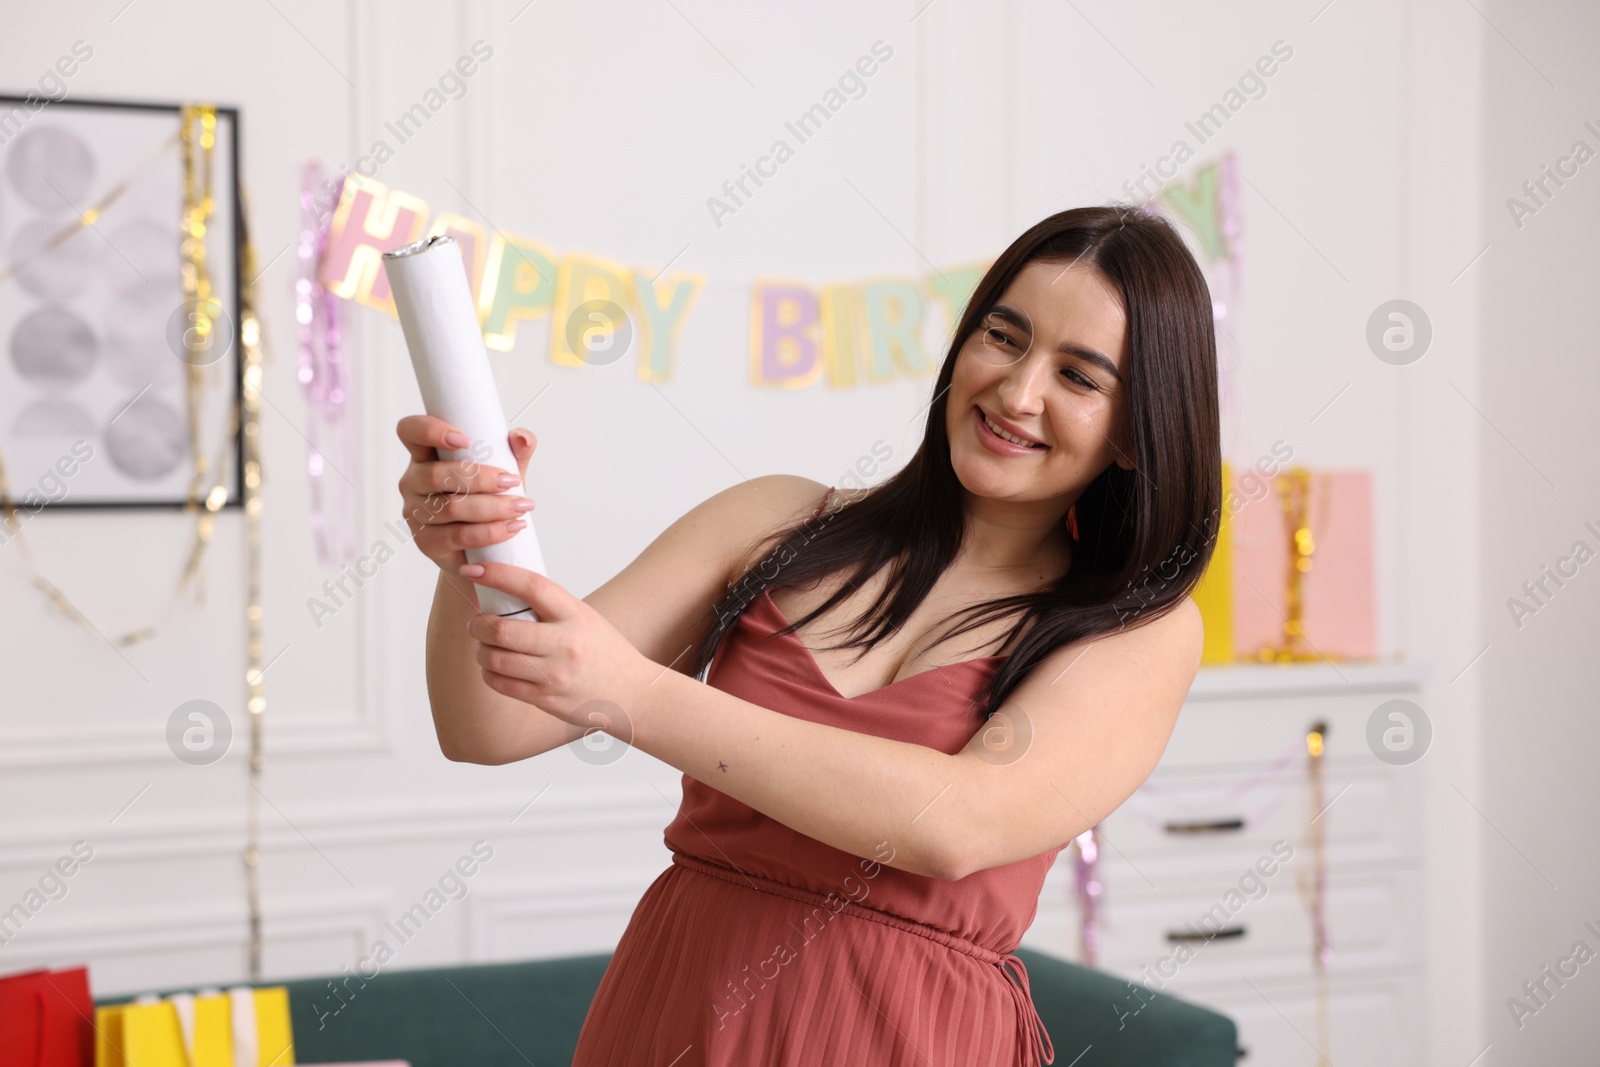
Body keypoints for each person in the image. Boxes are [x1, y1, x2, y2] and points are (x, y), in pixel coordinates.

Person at [393, 204, 1221, 1065]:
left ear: (1135, 431)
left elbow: (957, 824)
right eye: (1003, 337)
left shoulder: (1139, 631)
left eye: (1079, 377)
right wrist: (471, 553)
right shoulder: (776, 521)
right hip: (679, 1010)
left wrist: (634, 694)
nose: (1017, 392)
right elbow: (488, 725)